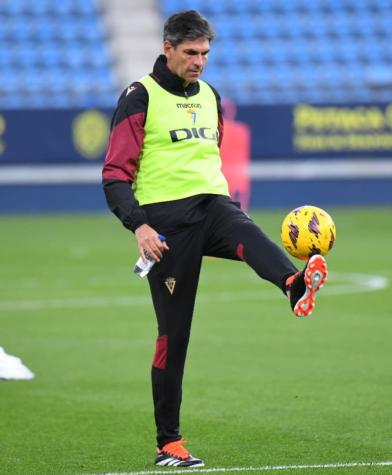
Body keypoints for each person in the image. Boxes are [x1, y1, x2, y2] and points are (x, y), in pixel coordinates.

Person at [102, 11, 328, 467]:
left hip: (211, 204)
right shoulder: (139, 97)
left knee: (245, 228)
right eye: (191, 53)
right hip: (166, 227)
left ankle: (294, 284)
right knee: (175, 336)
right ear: (168, 47)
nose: (199, 62)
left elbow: (209, 155)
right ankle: (169, 442)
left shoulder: (210, 95)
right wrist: (140, 227)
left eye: (205, 53)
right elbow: (114, 175)